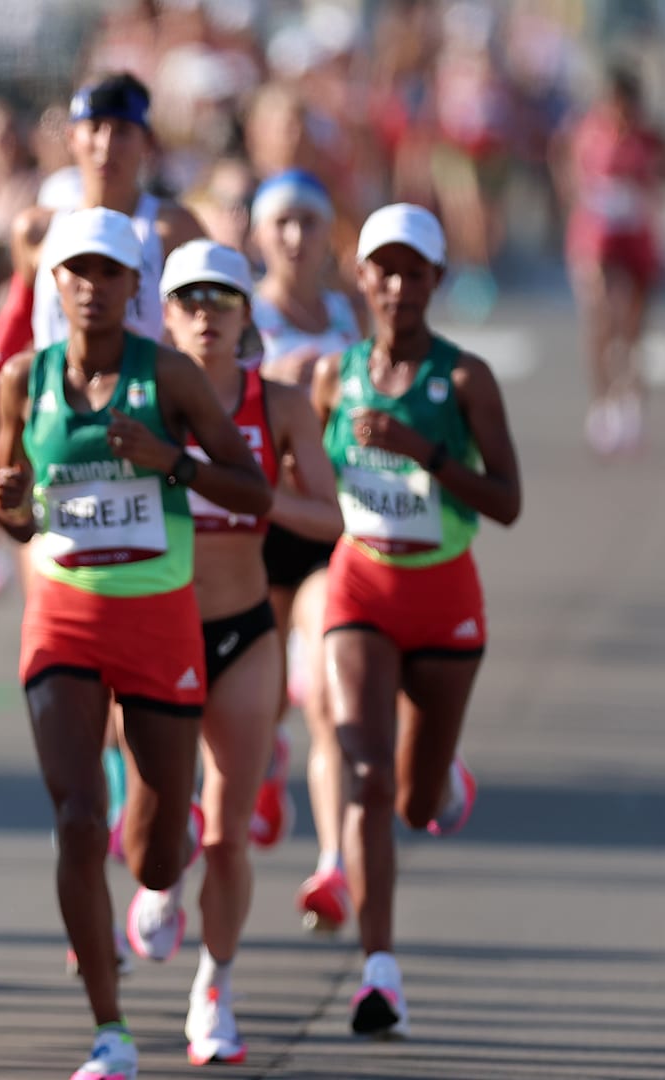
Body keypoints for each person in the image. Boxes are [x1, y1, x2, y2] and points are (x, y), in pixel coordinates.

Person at [0, 208, 271, 1080]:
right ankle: (109, 1027)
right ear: (56, 285)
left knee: (155, 851)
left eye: (110, 274)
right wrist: (3, 503)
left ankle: (161, 871)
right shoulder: (21, 382)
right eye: (76, 272)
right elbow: (18, 507)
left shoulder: (173, 378)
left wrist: (172, 462)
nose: (92, 287)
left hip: (158, 621)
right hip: (64, 618)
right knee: (78, 819)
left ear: (132, 289)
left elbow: (253, 491)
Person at [313, 204, 521, 1038]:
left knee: (415, 801)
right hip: (360, 589)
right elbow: (295, 467)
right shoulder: (334, 377)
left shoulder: (465, 379)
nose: (398, 287)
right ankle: (380, 973)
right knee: (362, 778)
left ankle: (441, 779)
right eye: (383, 270)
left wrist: (422, 451)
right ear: (361, 278)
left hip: (444, 600)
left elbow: (506, 502)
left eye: (414, 272)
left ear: (437, 281)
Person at [137, 240, 342, 1064]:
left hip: (245, 630)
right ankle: (159, 877)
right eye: (189, 300)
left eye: (222, 301)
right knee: (154, 827)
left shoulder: (280, 404)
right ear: (167, 312)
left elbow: (330, 521)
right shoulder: (142, 403)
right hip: (154, 632)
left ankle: (215, 987)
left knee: (228, 830)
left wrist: (254, 497)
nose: (205, 317)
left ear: (246, 312)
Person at [247, 168, 368, 931]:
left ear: (329, 234)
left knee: (327, 695)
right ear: (260, 235)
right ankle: (263, 766)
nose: (295, 237)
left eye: (309, 222)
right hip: (257, 528)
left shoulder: (350, 314)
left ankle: (332, 866)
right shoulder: (237, 312)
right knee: (257, 704)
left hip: (327, 522)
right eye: (281, 222)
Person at [0, 74, 204, 373]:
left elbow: (209, 330)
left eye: (122, 130)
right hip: (59, 408)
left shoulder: (173, 230)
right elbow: (19, 316)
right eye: (95, 128)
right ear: (72, 137)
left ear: (147, 141)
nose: (106, 144)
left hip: (144, 408)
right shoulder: (36, 231)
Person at [555, 64, 665, 456]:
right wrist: (576, 192)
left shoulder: (650, 137)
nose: (620, 114)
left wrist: (652, 179)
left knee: (631, 329)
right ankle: (602, 402)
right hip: (594, 238)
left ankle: (630, 402)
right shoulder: (586, 130)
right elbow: (563, 160)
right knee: (599, 317)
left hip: (636, 239)